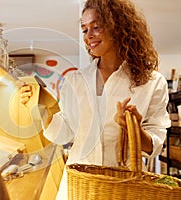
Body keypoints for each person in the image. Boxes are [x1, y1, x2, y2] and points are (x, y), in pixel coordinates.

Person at [21, 0, 170, 198]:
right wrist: (41, 105)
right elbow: (64, 133)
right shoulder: (76, 81)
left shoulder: (151, 82)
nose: (89, 36)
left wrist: (133, 127)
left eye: (96, 27)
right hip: (78, 185)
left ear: (119, 27)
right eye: (84, 30)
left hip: (122, 185)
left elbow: (156, 142)